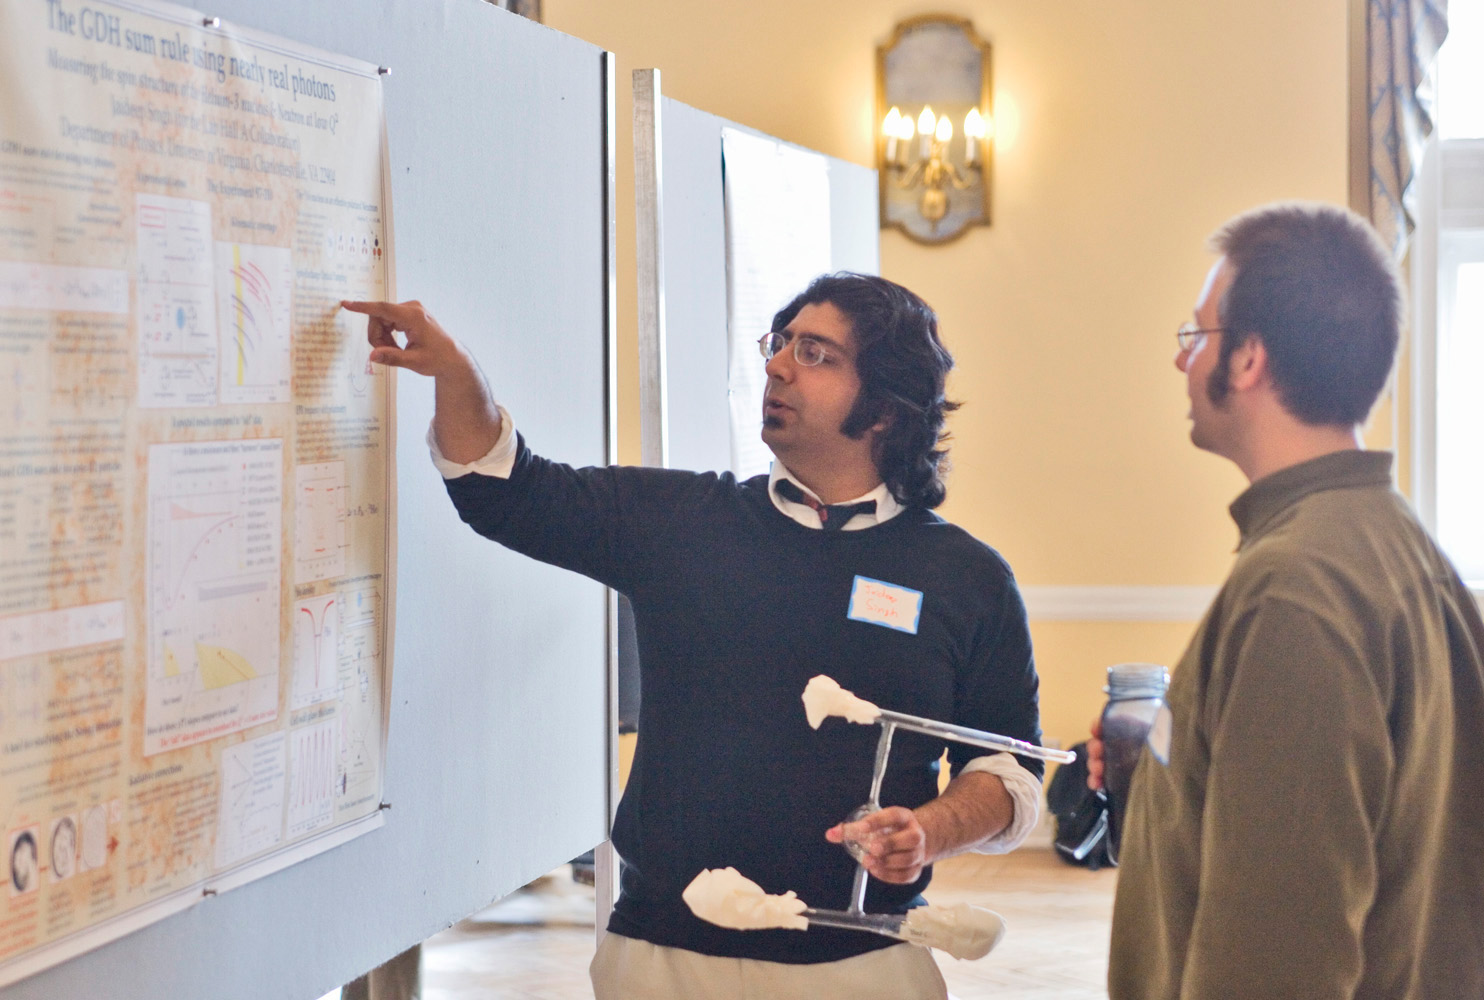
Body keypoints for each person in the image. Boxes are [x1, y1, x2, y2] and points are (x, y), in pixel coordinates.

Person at [344, 273, 1044, 999]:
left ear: (887, 409)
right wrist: (459, 371)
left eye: (816, 354)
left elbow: (1009, 772)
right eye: (780, 344)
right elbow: (503, 488)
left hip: (864, 965)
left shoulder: (967, 578)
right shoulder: (685, 523)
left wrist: (931, 828)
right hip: (661, 959)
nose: (777, 365)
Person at [1087, 202, 1484, 999]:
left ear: (1249, 360)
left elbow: (1277, 958)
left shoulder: (1299, 590)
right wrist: (1164, 779)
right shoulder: (1399, 548)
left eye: (1195, 338)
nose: (1181, 364)